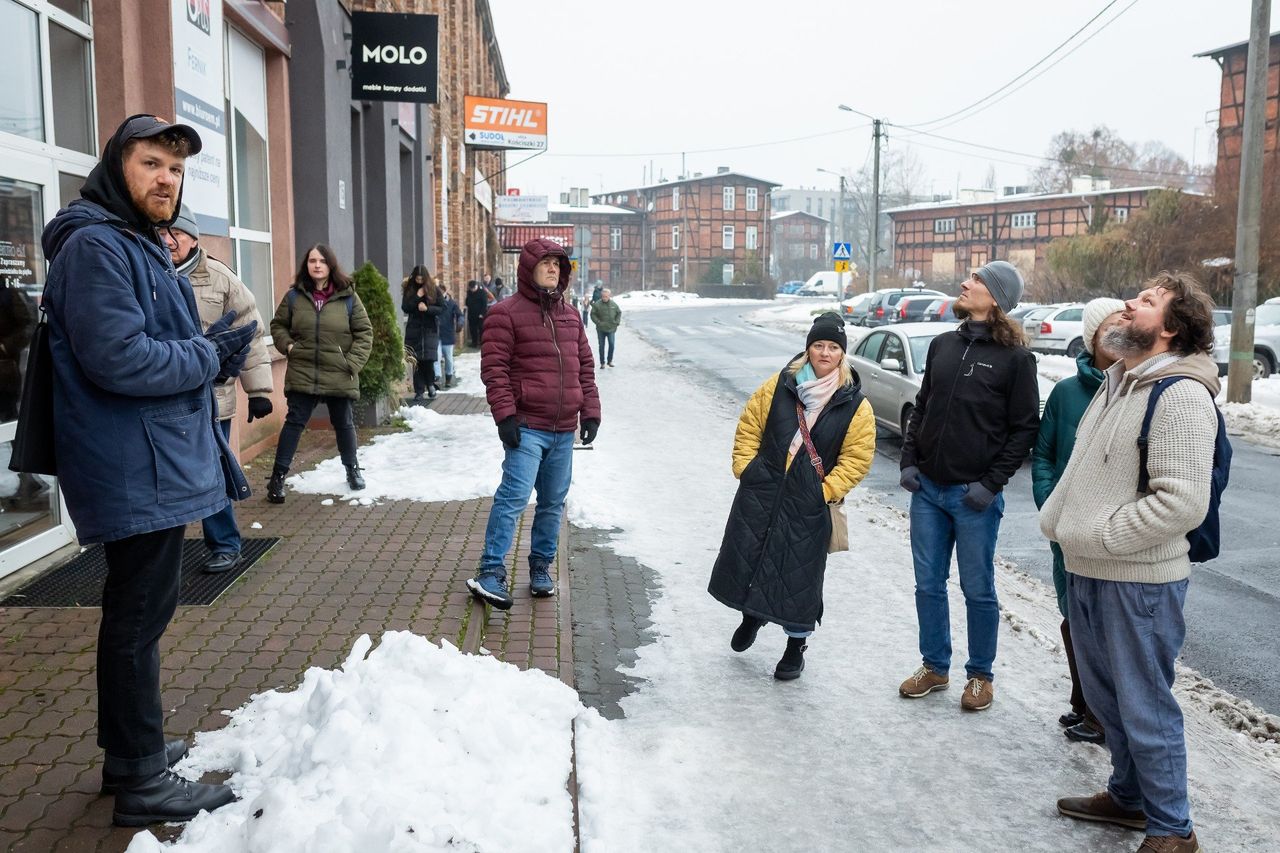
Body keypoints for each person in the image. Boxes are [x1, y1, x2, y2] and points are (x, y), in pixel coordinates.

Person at [40, 114, 256, 825]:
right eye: (151, 163)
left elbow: (149, 341)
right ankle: (141, 782)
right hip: (134, 465)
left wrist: (201, 348)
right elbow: (120, 358)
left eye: (176, 168)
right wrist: (208, 355)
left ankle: (131, 756)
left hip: (147, 459)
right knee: (137, 620)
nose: (167, 179)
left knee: (140, 614)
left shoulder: (131, 240)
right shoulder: (97, 245)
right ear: (116, 168)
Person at [1041, 272, 1220, 853]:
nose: (1128, 303)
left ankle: (1173, 830)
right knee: (1106, 701)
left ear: (1170, 329)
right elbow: (1081, 469)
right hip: (1088, 567)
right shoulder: (1119, 382)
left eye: (1146, 301)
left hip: (1138, 581)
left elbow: (1181, 502)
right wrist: (1060, 524)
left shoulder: (1181, 395)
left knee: (1145, 706)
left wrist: (1101, 536)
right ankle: (1128, 797)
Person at [897, 260, 1039, 711]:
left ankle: (980, 676)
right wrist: (908, 462)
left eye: (976, 279)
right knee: (927, 584)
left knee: (977, 589)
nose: (965, 282)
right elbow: (922, 406)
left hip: (973, 498)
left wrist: (990, 486)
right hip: (928, 491)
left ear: (996, 297)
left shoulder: (1016, 360)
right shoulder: (943, 345)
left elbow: (1024, 430)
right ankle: (935, 666)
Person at [708, 312, 875, 680]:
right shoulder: (779, 385)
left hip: (808, 503)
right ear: (808, 348)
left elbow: (857, 459)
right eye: (819, 345)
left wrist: (823, 491)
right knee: (753, 556)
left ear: (842, 354)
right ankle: (752, 615)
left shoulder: (855, 405)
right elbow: (750, 425)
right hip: (763, 491)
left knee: (800, 578)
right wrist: (747, 468)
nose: (825, 353)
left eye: (833, 347)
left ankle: (795, 648)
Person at [466, 238, 600, 610]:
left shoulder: (571, 316)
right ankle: (490, 571)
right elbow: (494, 370)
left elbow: (585, 369)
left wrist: (590, 411)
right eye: (546, 263)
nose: (554, 268)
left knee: (553, 502)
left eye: (558, 263)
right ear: (529, 268)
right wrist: (505, 416)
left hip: (563, 429)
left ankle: (541, 568)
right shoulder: (504, 313)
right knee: (513, 498)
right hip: (526, 426)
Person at [1031, 297, 1125, 744]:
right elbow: (1044, 456)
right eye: (1108, 327)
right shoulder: (1067, 393)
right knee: (1073, 619)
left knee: (1103, 626)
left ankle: (1102, 714)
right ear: (1092, 337)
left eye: (1123, 323)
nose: (1117, 333)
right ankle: (1084, 702)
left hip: (1108, 532)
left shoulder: (1135, 389)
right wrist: (1051, 510)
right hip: (1065, 531)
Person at [161, 204, 273, 573]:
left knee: (213, 472)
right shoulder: (149, 273)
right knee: (167, 477)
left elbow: (250, 333)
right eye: (162, 232)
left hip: (213, 399)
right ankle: (162, 554)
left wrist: (259, 391)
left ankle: (225, 545)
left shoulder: (221, 278)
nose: (168, 240)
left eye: (176, 233)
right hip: (165, 397)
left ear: (194, 239)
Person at [266, 245, 373, 502]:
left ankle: (353, 470)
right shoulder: (294, 297)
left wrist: (351, 363)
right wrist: (288, 346)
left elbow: (364, 333)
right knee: (294, 423)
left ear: (330, 265)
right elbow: (278, 326)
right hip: (303, 370)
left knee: (344, 423)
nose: (316, 265)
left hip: (338, 371)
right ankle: (277, 478)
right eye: (312, 260)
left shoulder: (348, 297)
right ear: (306, 265)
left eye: (322, 261)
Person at [402, 265, 443, 401]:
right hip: (414, 330)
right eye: (417, 279)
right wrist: (417, 297)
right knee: (416, 362)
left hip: (430, 330)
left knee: (428, 360)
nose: (419, 281)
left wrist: (427, 309)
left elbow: (442, 308)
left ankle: (430, 385)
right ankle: (419, 391)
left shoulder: (434, 289)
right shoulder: (410, 289)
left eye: (422, 279)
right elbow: (405, 307)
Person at [436, 285, 464, 387]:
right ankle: (437, 377)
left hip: (447, 333)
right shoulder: (433, 302)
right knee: (436, 356)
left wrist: (460, 323)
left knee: (448, 358)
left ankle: (448, 377)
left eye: (440, 292)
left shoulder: (451, 303)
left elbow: (460, 315)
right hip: (435, 334)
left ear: (445, 292)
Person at [589, 287, 622, 367]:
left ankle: (609, 361)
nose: (604, 298)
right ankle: (602, 363)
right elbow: (592, 314)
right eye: (603, 296)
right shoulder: (597, 304)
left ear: (609, 296)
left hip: (611, 328)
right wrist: (598, 322)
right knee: (601, 346)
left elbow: (619, 312)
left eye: (606, 296)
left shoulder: (613, 304)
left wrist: (616, 322)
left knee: (611, 344)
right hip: (601, 329)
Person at [465, 279, 489, 348]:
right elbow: (467, 300)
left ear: (476, 286)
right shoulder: (469, 292)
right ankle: (474, 342)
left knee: (481, 329)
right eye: (471, 289)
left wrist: (482, 313)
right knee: (472, 329)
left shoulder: (482, 292)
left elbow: (484, 304)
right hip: (471, 314)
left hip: (480, 314)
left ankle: (482, 343)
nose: (472, 290)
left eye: (473, 288)